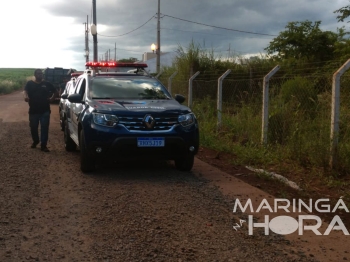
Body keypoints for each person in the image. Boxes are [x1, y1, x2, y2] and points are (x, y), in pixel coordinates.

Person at [23, 69, 58, 152]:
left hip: (45, 110)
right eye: (38, 73)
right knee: (33, 127)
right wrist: (25, 96)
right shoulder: (30, 83)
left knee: (44, 128)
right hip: (33, 110)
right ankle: (35, 141)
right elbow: (25, 91)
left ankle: (43, 145)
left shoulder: (46, 84)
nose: (40, 75)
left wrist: (52, 99)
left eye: (41, 73)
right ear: (35, 75)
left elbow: (56, 92)